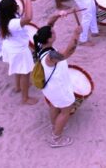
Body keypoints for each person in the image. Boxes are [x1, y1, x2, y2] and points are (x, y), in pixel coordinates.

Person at [33, 17, 83, 148]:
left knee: (54, 105)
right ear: (49, 39)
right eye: (53, 33)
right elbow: (68, 52)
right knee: (66, 111)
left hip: (50, 88)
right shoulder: (51, 56)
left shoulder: (40, 45)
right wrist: (76, 35)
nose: (55, 32)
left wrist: (58, 15)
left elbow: (49, 24)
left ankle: (55, 125)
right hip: (57, 88)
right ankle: (56, 138)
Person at [0, 0, 38, 105]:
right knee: (25, 73)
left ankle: (17, 87)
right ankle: (25, 98)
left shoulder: (4, 17)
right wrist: (28, 1)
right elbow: (29, 18)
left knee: (17, 68)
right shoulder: (13, 23)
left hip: (11, 47)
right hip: (19, 50)